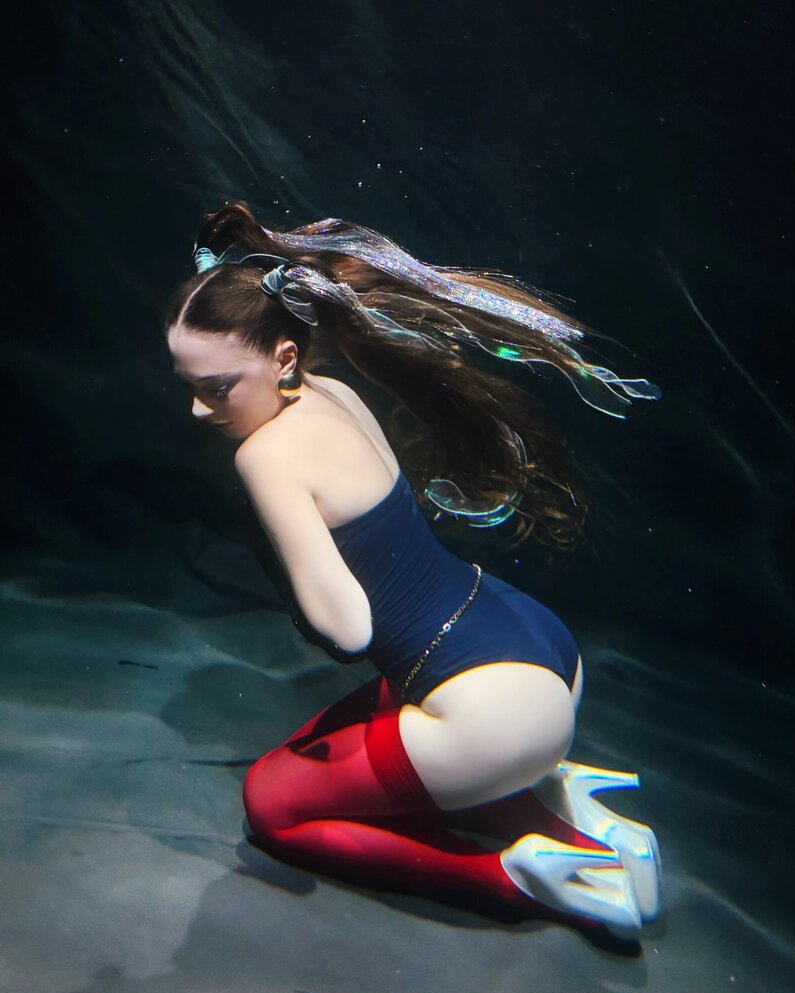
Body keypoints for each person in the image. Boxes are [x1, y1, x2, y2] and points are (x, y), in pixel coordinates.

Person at [166, 201, 663, 937]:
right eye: (188, 384)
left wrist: (287, 570)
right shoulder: (334, 392)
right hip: (534, 641)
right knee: (307, 750)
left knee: (274, 802)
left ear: (284, 358)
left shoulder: (263, 455)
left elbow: (348, 629)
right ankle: (564, 811)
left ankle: (523, 879)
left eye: (217, 387)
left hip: (490, 702)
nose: (199, 410)